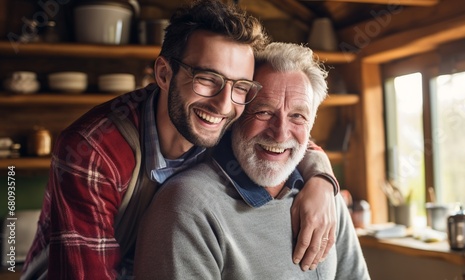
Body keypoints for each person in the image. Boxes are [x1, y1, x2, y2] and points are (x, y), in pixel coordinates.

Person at [22, 1, 340, 279]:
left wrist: (323, 182)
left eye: (240, 86)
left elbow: (285, 138)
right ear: (163, 74)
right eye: (206, 79)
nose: (223, 104)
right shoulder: (93, 150)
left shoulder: (223, 119)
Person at [134, 42, 370, 280]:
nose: (280, 134)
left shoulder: (326, 199)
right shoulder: (187, 207)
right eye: (264, 112)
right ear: (236, 112)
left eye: (297, 116)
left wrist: (323, 180)